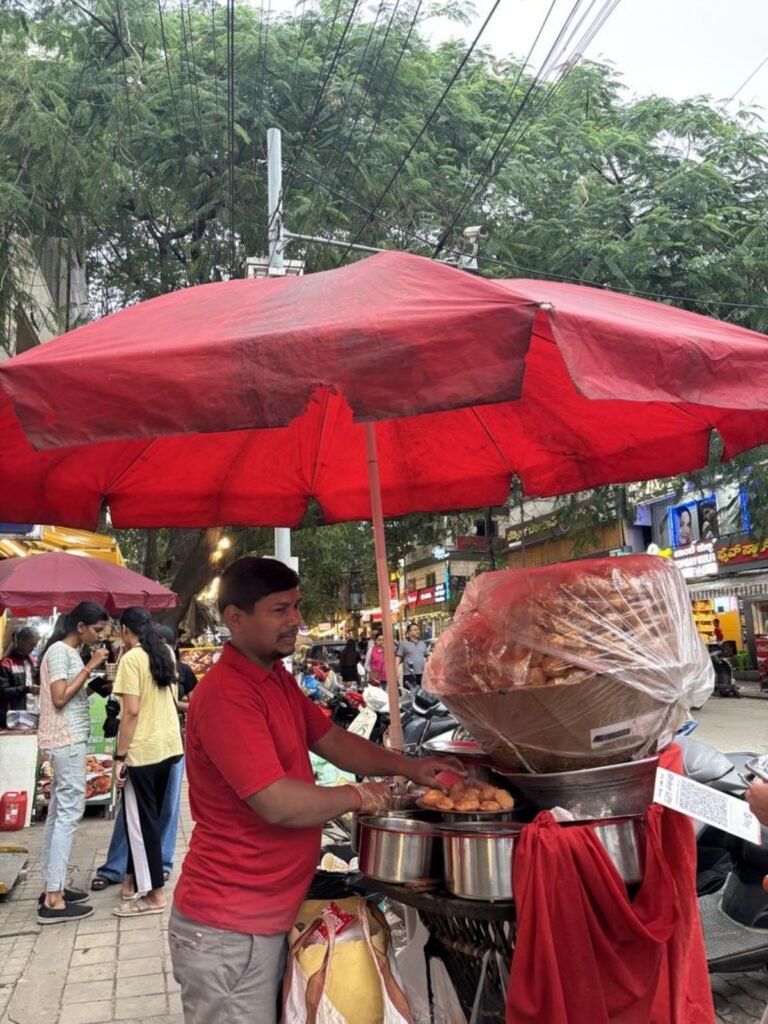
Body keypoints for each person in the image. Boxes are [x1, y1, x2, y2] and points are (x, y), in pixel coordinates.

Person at [169, 556, 461, 1024]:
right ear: (235, 618)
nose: (296, 621)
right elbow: (277, 802)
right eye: (280, 609)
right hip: (228, 927)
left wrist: (411, 767)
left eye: (296, 607)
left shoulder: (275, 680)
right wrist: (360, 796)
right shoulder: (227, 694)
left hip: (267, 913)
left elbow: (334, 741)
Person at [90, 624, 195, 893]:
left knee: (157, 812)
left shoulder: (176, 668)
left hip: (160, 748)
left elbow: (134, 711)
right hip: (156, 747)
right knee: (139, 814)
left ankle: (156, 872)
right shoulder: (143, 662)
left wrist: (120, 756)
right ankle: (124, 873)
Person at [37, 602, 110, 924]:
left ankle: (54, 886)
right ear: (80, 626)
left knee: (57, 814)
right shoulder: (60, 652)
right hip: (66, 741)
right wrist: (90, 665)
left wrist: (95, 681)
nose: (98, 636)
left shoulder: (67, 653)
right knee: (68, 814)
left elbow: (71, 695)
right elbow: (59, 697)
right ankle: (53, 898)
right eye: (95, 630)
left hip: (66, 739)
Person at [111, 607, 183, 917]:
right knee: (145, 820)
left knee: (142, 824)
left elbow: (131, 712)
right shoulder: (164, 650)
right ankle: (130, 881)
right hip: (168, 747)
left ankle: (153, 894)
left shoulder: (131, 660)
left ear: (126, 629)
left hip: (142, 751)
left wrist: (120, 757)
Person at [0, 627, 39, 727]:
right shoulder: (6, 663)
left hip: (32, 713)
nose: (33, 648)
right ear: (21, 641)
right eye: (31, 644)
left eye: (35, 645)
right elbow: (3, 692)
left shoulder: (33, 663)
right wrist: (26, 689)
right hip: (11, 716)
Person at [397, 621, 429, 690]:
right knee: (411, 697)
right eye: (415, 630)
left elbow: (428, 656)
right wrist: (395, 671)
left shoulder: (422, 644)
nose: (417, 631)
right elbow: (398, 658)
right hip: (409, 675)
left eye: (418, 629)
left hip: (421, 674)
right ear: (409, 632)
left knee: (421, 697)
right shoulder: (404, 644)